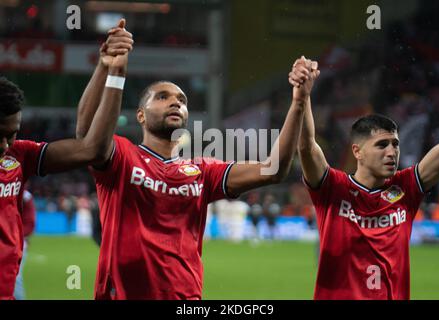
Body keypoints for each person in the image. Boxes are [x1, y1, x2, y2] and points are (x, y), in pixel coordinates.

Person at [76, 26, 320, 298]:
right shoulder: (121, 156)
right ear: (141, 116)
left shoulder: (202, 171)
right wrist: (105, 67)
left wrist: (298, 102)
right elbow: (87, 137)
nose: (175, 103)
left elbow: (273, 169)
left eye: (181, 100)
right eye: (162, 97)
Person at [292, 58, 439, 299]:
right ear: (357, 151)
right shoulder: (334, 188)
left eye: (395, 144)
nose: (392, 152)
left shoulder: (406, 188)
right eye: (382, 145)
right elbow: (306, 147)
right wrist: (302, 98)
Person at [0, 19, 131, 300]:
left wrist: (108, 70)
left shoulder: (20, 155)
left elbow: (91, 148)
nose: (4, 144)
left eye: (11, 134)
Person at [14, 189, 35, 300]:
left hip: (17, 243)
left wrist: (14, 236)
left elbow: (30, 224)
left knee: (15, 278)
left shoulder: (26, 196)